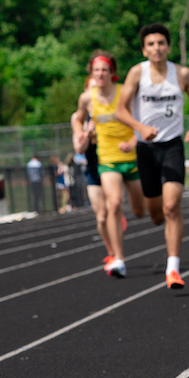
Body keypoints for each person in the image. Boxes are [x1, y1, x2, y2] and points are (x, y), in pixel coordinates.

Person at [116, 23, 189, 289]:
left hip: (172, 146)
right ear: (144, 49)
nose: (157, 48)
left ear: (168, 46)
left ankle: (173, 269)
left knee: (171, 207)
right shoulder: (136, 74)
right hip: (146, 149)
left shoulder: (183, 74)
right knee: (155, 214)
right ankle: (160, 223)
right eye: (151, 44)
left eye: (161, 43)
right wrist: (141, 128)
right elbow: (120, 110)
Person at [73, 53, 145, 278]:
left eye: (105, 70)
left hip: (131, 157)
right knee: (113, 205)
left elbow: (143, 119)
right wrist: (79, 134)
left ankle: (139, 211)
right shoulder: (87, 98)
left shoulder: (125, 93)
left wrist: (134, 140)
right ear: (91, 73)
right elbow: (77, 118)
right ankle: (119, 259)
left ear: (112, 72)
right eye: (97, 70)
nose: (101, 74)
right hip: (107, 159)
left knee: (139, 211)